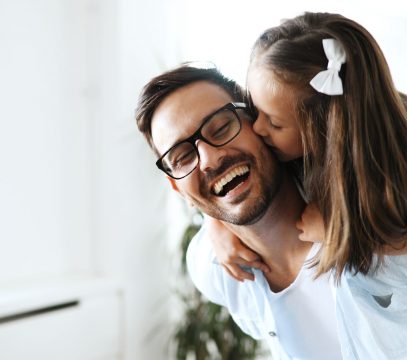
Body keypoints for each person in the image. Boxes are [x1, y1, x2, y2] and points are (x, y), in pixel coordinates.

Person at [204, 12, 407, 359]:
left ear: (322, 129)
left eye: (275, 123)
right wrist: (215, 222)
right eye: (255, 110)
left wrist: (337, 230)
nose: (257, 129)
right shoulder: (296, 147)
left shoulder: (397, 161)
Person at [135, 65, 341, 359]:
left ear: (260, 123)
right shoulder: (212, 270)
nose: (209, 159)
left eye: (220, 128)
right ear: (178, 189)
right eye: (183, 157)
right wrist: (213, 222)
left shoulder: (373, 218)